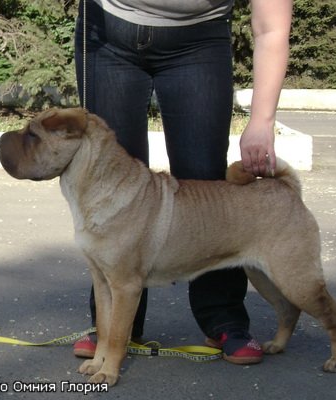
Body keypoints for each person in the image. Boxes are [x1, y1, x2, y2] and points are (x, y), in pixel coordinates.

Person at [72, 0, 292, 364]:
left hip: (198, 42)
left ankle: (223, 318)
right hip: (108, 33)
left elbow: (271, 28)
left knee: (207, 186)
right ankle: (111, 329)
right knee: (111, 184)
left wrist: (261, 121)